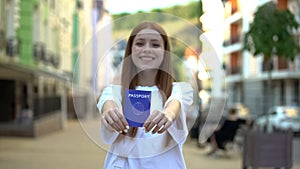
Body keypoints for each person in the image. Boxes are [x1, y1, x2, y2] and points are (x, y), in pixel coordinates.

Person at [97, 21, 194, 169]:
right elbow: (108, 102)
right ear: (130, 50)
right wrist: (110, 114)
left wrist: (168, 114)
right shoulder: (113, 92)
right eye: (140, 43)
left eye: (155, 45)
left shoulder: (180, 90)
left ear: (165, 51)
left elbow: (176, 102)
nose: (147, 49)